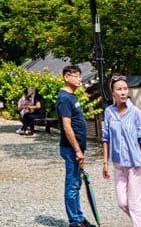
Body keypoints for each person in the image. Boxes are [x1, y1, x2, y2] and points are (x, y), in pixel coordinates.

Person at [102, 74, 141, 227]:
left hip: (135, 165)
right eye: (119, 89)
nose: (123, 92)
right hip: (118, 164)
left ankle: (140, 222)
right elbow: (106, 138)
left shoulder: (136, 113)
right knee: (122, 202)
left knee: (135, 204)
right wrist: (105, 163)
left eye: (125, 89)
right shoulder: (109, 112)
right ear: (113, 92)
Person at [56, 64, 92, 227]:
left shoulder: (73, 97)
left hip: (77, 148)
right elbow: (67, 126)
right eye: (75, 75)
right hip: (71, 149)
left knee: (77, 183)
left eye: (79, 75)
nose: (79, 79)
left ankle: (79, 217)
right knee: (72, 184)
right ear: (66, 77)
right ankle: (74, 221)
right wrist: (77, 149)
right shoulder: (64, 98)